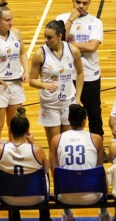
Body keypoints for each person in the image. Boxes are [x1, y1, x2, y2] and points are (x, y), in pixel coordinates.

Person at [56, 0, 107, 162]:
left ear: (89, 3)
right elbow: (57, 40)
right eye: (78, 2)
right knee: (67, 113)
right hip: (67, 75)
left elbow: (92, 47)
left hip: (90, 75)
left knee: (94, 113)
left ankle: (98, 147)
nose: (81, 6)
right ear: (72, 0)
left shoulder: (96, 22)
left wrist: (69, 45)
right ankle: (69, 146)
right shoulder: (62, 19)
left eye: (84, 3)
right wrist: (71, 19)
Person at [29, 20, 84, 174]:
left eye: (49, 37)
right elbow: (32, 81)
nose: (46, 40)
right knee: (55, 145)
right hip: (50, 105)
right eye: (45, 37)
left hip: (68, 102)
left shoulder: (73, 50)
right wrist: (44, 85)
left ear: (60, 36)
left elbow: (80, 73)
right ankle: (56, 180)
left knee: (67, 144)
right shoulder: (40, 54)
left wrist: (78, 98)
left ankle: (69, 176)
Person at [0, 107, 58, 221]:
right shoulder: (37, 149)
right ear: (28, 131)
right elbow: (46, 169)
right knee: (44, 174)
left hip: (7, 198)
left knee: (6, 172)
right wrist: (32, 143)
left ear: (10, 130)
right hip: (36, 197)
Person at [51, 104, 112, 221]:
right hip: (93, 195)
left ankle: (67, 215)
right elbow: (99, 170)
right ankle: (104, 214)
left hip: (64, 196)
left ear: (68, 120)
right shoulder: (96, 139)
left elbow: (55, 172)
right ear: (85, 121)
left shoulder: (56, 139)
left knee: (60, 175)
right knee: (106, 173)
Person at [0, 0, 29, 141]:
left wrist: (26, 70)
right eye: (7, 20)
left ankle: (12, 154)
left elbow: (22, 53)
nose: (10, 23)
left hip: (15, 84)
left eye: (11, 19)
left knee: (14, 124)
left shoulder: (16, 33)